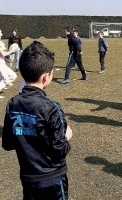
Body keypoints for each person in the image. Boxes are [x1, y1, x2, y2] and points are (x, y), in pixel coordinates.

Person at [2, 41, 72, 199]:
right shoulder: (52, 108)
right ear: (46, 77)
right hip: (53, 180)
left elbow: (7, 143)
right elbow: (59, 150)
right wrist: (67, 135)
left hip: (28, 180)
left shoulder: (12, 104)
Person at [0, 29, 17, 99]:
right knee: (5, 79)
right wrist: (11, 51)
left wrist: (8, 56)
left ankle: (3, 85)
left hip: (2, 64)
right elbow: (3, 53)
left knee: (13, 76)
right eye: (0, 33)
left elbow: (3, 54)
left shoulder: (1, 43)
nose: (1, 34)